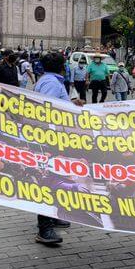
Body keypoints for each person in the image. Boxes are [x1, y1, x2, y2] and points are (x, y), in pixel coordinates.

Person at [32, 52, 82, 245]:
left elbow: (56, 105)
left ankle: (53, 216)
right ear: (63, 67)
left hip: (54, 139)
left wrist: (71, 104)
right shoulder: (52, 83)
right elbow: (45, 109)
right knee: (48, 179)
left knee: (57, 176)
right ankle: (44, 229)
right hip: (49, 140)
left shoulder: (50, 80)